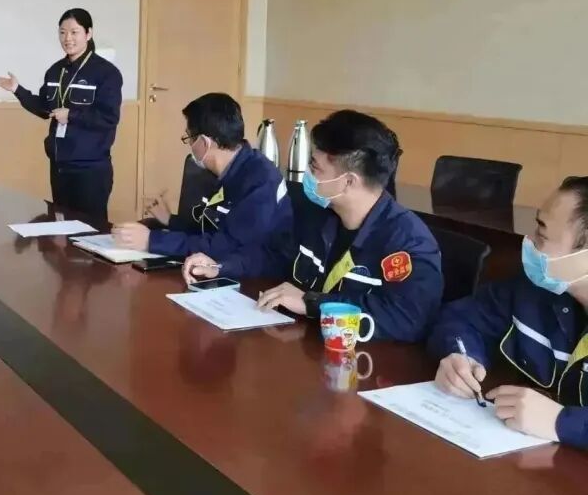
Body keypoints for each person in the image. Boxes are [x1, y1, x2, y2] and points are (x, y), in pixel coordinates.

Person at [185, 110, 442, 342]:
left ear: (348, 182)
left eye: (315, 167)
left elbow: (408, 319)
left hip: (367, 366)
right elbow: (276, 255)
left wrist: (314, 303)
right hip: (309, 345)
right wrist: (221, 266)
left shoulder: (407, 241)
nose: (307, 174)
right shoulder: (316, 214)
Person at [429, 177, 588, 447]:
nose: (528, 241)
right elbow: (459, 317)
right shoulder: (533, 290)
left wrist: (561, 422)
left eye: (542, 234)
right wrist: (461, 356)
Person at [112, 93, 292, 276]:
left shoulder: (260, 180)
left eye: (190, 138)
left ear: (204, 142)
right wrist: (171, 221)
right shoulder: (226, 169)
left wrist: (151, 241)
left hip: (258, 278)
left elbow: (224, 245)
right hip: (224, 265)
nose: (189, 144)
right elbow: (209, 230)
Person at [0, 8, 122, 221]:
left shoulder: (106, 73)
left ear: (88, 33)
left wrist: (72, 115)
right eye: (62, 32)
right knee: (61, 227)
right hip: (59, 166)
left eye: (74, 32)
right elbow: (45, 109)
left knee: (90, 229)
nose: (67, 38)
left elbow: (109, 118)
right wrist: (18, 90)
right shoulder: (55, 71)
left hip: (90, 169)